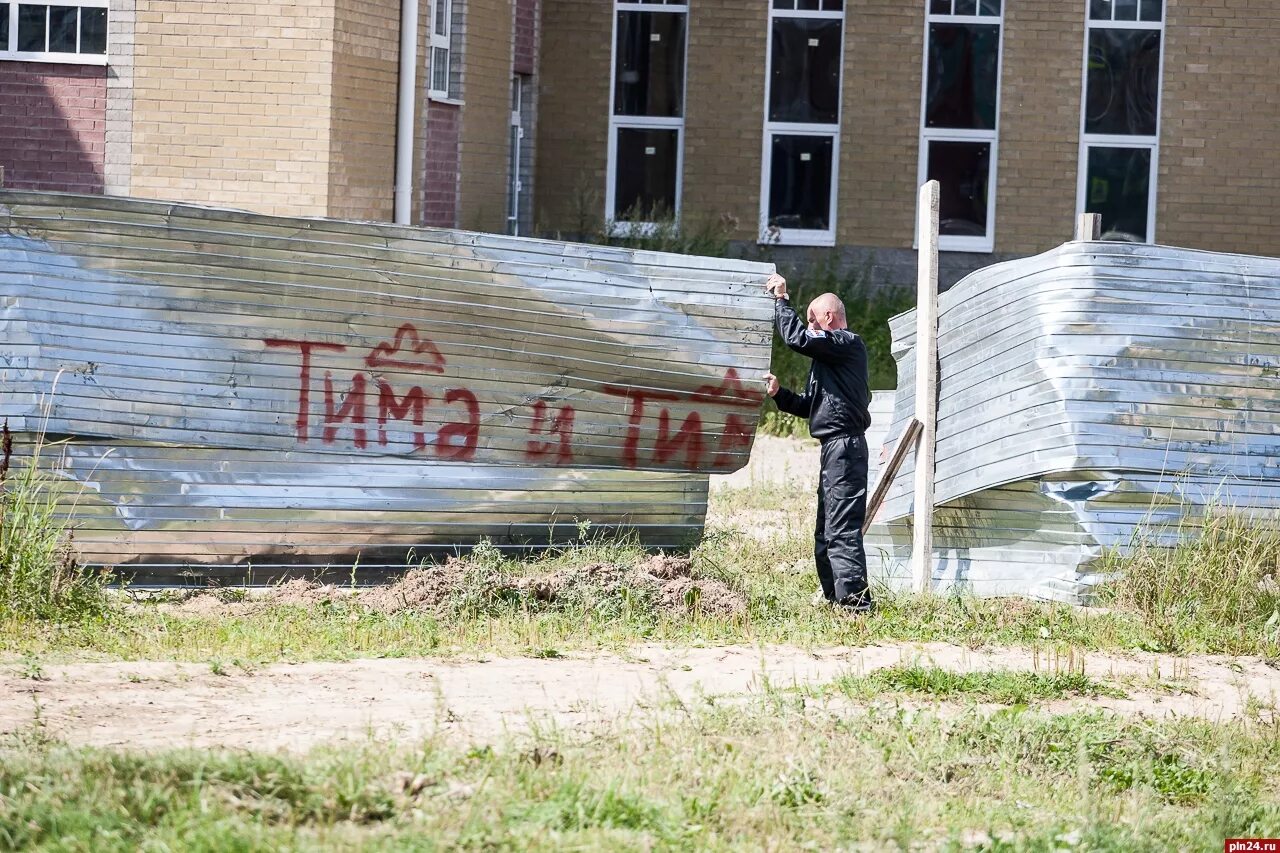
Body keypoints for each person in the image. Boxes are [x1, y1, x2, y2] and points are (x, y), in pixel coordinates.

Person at [762, 273, 874, 614]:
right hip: (833, 449)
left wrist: (782, 300)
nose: (809, 325)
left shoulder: (846, 344)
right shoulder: (828, 362)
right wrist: (779, 394)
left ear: (828, 318)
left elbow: (797, 339)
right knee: (825, 534)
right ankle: (835, 602)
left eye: (812, 318)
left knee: (841, 531)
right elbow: (808, 407)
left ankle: (856, 608)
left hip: (846, 449)